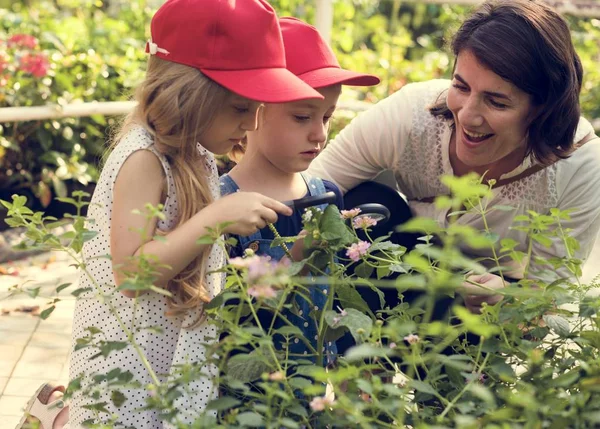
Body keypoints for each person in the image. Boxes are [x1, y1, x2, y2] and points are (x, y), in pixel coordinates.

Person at [17, 1, 325, 428]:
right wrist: (216, 217)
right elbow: (131, 273)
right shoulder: (143, 157)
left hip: (173, 350)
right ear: (191, 92)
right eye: (240, 108)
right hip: (129, 358)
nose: (253, 123)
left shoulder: (194, 154)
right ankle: (57, 417)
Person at [308, 0, 600, 314]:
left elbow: (550, 301)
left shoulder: (579, 165)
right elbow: (309, 190)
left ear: (543, 109)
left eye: (497, 102)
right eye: (461, 86)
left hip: (481, 313)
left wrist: (510, 300)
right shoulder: (411, 114)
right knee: (369, 204)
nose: (468, 115)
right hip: (401, 277)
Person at [219, 17, 379, 367]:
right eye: (302, 117)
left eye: (327, 117)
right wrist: (297, 259)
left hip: (317, 383)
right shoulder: (222, 204)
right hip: (251, 390)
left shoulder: (327, 194)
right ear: (255, 112)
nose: (319, 134)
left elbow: (337, 296)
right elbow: (229, 312)